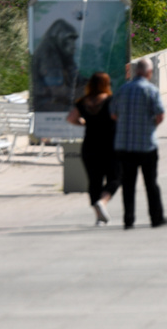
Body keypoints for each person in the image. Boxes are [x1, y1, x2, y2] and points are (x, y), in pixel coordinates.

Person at [110, 59, 167, 229]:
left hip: (124, 145)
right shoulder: (151, 90)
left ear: (136, 71)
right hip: (146, 145)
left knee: (128, 184)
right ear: (149, 73)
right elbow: (160, 115)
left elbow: (113, 114)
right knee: (151, 183)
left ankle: (128, 219)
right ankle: (156, 217)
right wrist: (151, 126)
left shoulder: (123, 89)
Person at [66, 71, 120, 225]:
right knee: (116, 177)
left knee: (94, 181)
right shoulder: (111, 100)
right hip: (110, 145)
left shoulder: (83, 102)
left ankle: (99, 217)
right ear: (106, 84)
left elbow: (71, 118)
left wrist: (84, 123)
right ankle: (103, 201)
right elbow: (118, 117)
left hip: (89, 146)